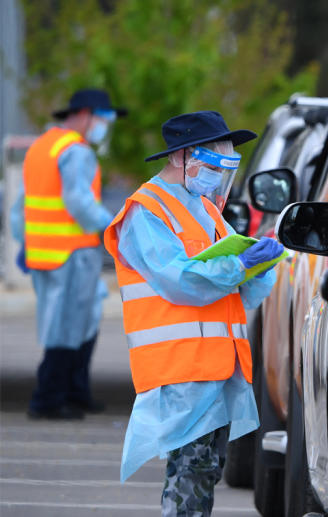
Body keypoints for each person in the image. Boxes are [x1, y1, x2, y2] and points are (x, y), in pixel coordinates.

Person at [102, 111, 283, 516]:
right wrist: (238, 266)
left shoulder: (205, 208)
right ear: (184, 157)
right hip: (182, 370)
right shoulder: (145, 211)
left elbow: (239, 294)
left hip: (217, 367)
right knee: (190, 475)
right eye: (215, 166)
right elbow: (179, 281)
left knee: (202, 473)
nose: (218, 178)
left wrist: (259, 265)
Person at [9, 88, 125, 420]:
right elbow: (79, 201)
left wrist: (25, 242)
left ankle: (75, 392)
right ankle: (47, 399)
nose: (105, 126)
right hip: (73, 254)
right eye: (104, 119)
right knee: (68, 327)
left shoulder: (42, 147)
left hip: (46, 253)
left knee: (76, 322)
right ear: (87, 114)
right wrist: (114, 227)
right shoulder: (77, 152)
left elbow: (21, 207)